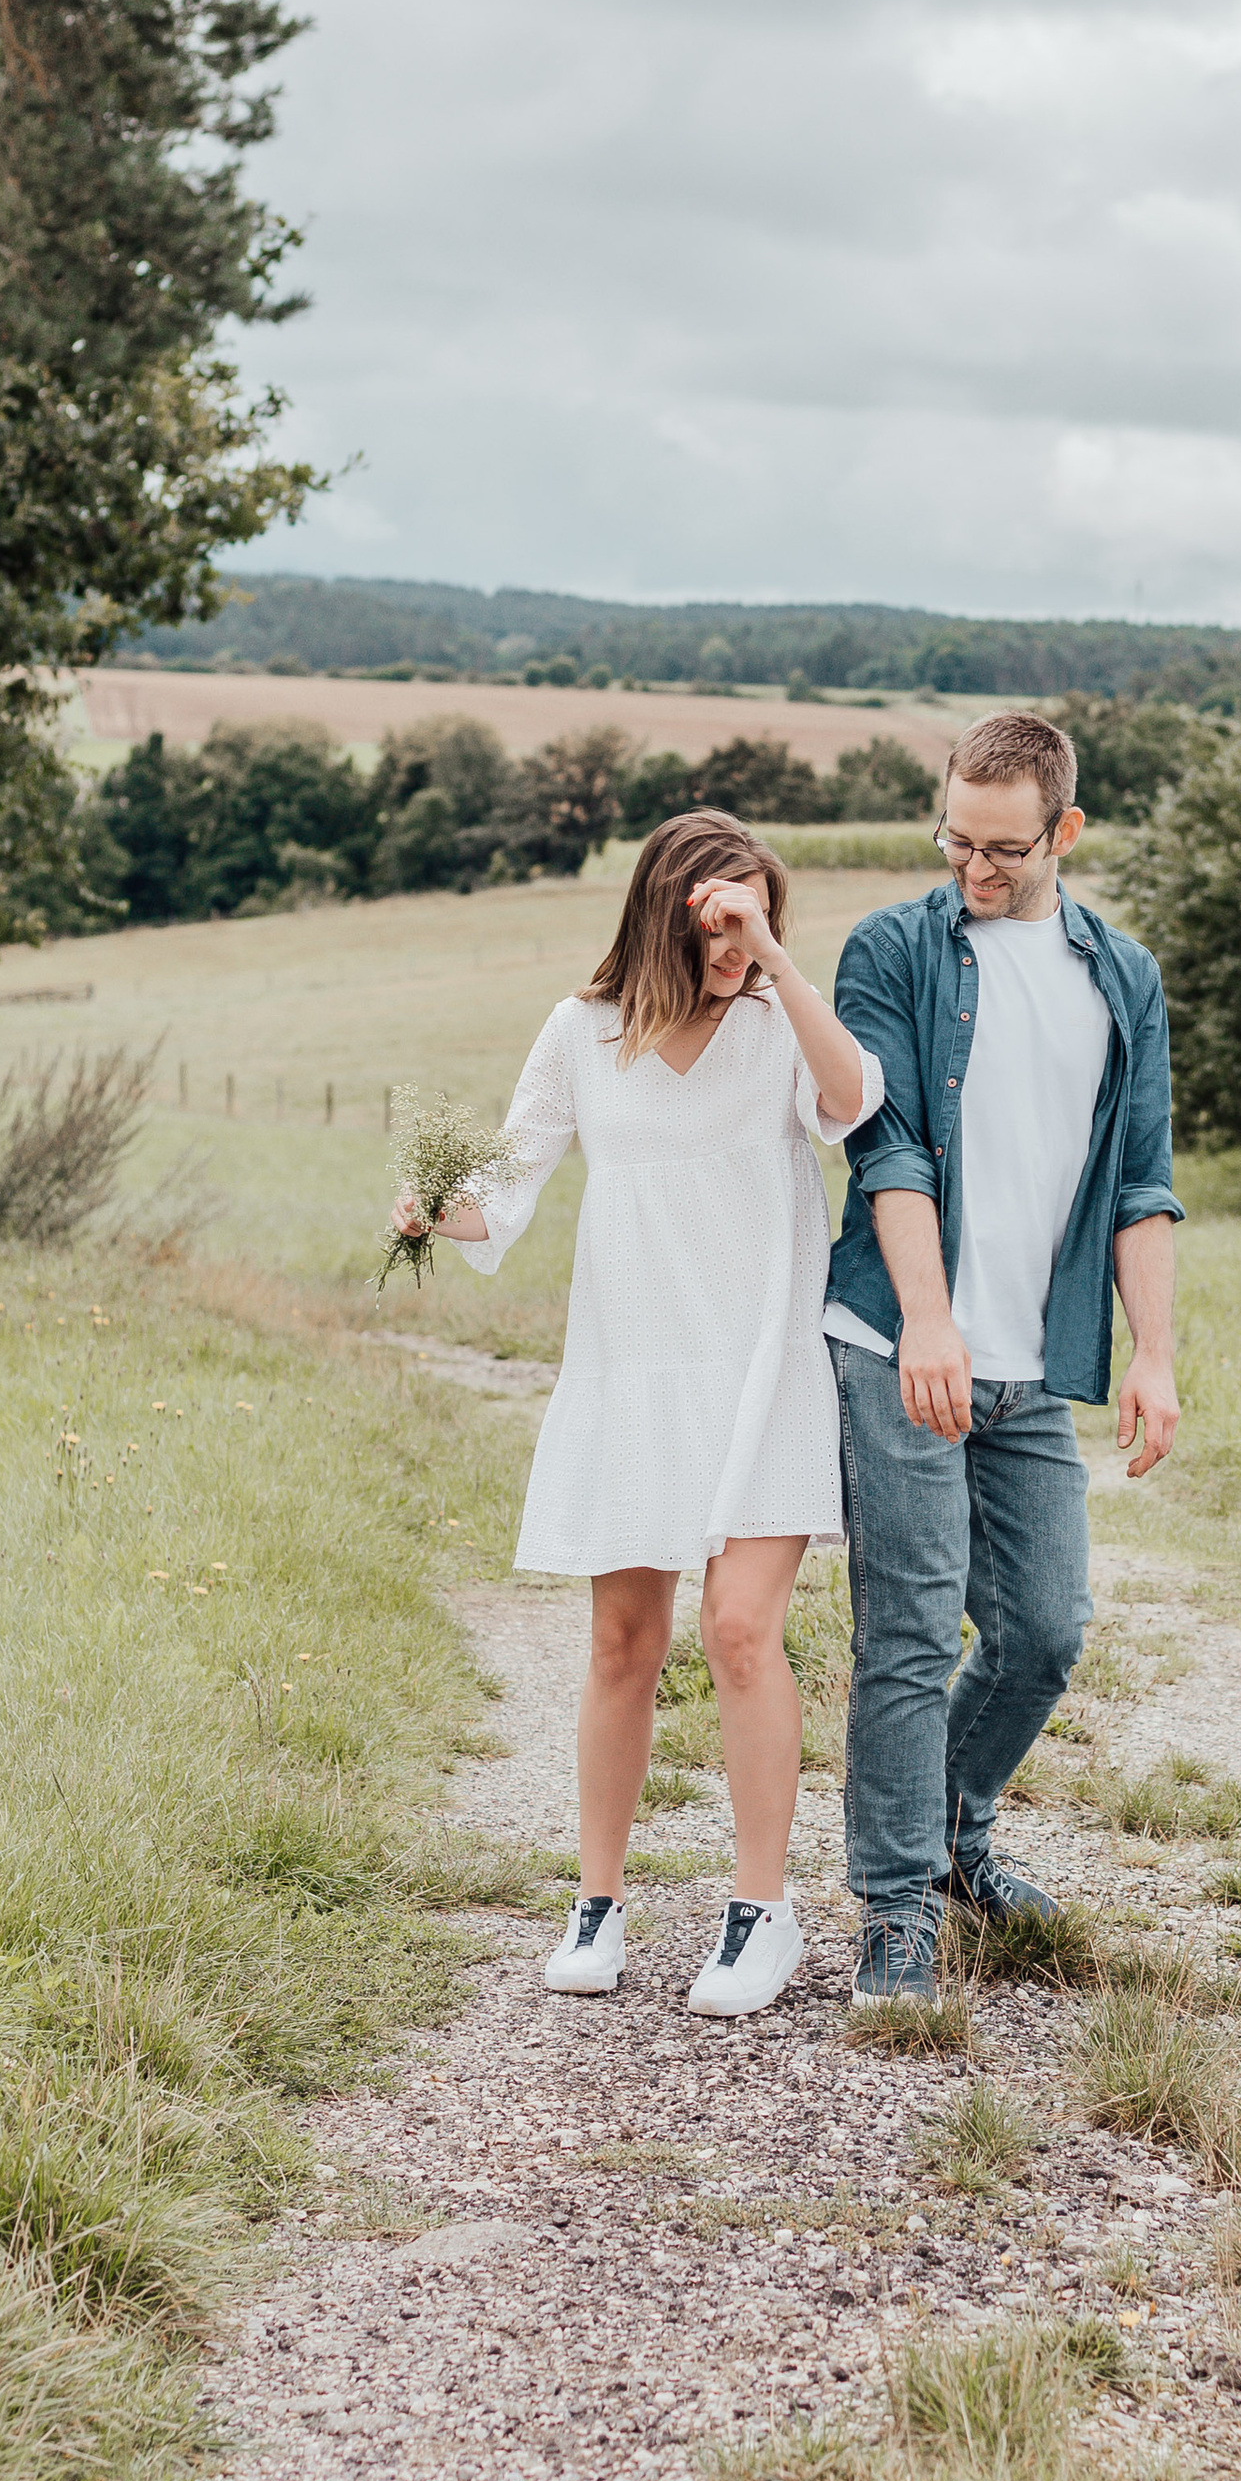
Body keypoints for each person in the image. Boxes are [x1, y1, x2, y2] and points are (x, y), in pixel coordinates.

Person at [395, 808, 882, 2019]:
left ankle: (762, 1913)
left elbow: (854, 1096)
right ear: (665, 910)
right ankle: (598, 1905)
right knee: (622, 1644)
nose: (736, 938)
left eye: (757, 915)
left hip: (761, 1373)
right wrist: (425, 1207)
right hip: (634, 1373)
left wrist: (769, 957)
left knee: (738, 1632)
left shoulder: (776, 1024)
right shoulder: (581, 1031)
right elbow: (500, 1197)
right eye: (719, 917)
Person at [822, 708, 1181, 2002]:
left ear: (1064, 831)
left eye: (1003, 850)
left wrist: (1154, 1355)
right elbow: (892, 1146)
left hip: (1035, 1360)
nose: (973, 869)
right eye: (955, 840)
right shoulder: (893, 951)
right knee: (911, 1628)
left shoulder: (1121, 976)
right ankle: (899, 1902)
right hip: (894, 1337)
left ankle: (957, 1826)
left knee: (1042, 1628)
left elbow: (1145, 1181)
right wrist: (929, 1315)